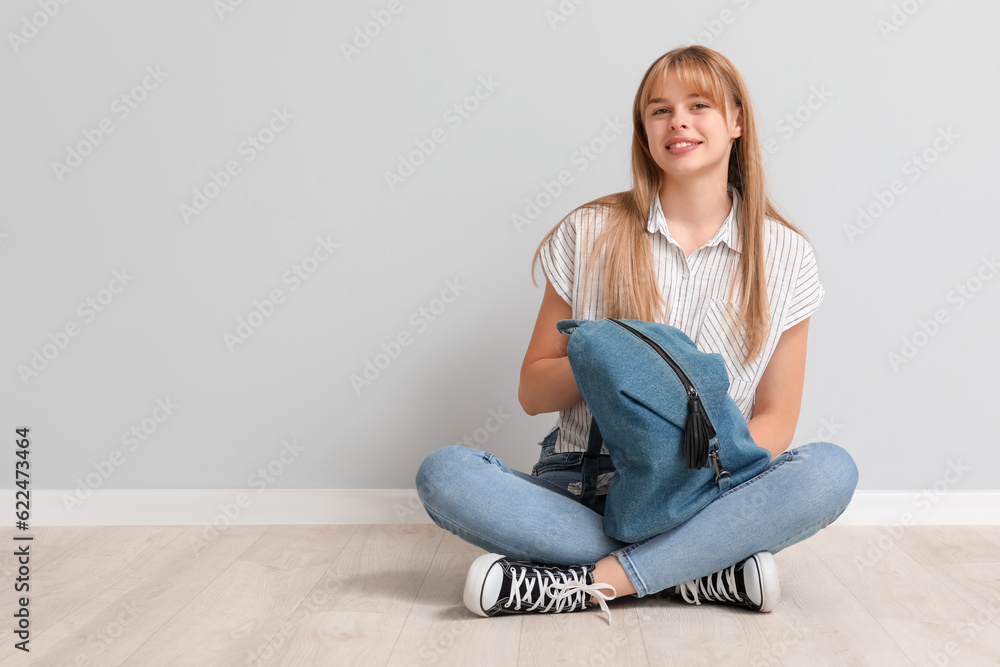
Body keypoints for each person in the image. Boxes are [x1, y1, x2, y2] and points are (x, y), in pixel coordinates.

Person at [415, 44, 859, 624]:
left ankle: (592, 583)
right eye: (659, 109)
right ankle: (699, 573)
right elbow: (531, 392)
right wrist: (615, 360)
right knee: (445, 475)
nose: (678, 120)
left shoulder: (787, 256)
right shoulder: (590, 230)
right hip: (584, 489)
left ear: (736, 122)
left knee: (830, 470)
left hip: (708, 495)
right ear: (644, 131)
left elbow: (775, 419)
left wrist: (715, 490)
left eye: (699, 104)